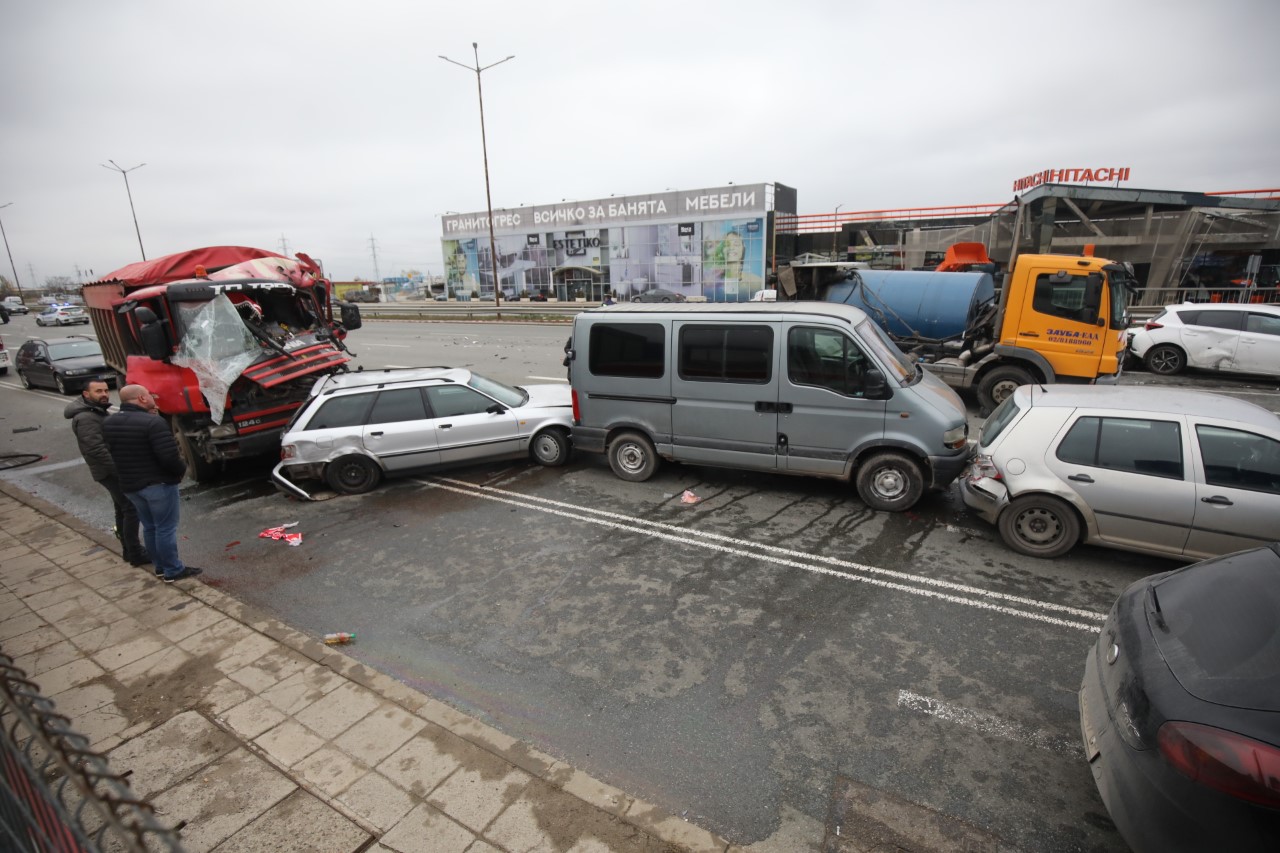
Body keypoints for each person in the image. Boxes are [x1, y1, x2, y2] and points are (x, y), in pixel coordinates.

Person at [103, 384, 202, 583]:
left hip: (131, 486)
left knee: (149, 527)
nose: (151, 396)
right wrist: (180, 471)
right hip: (157, 484)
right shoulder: (152, 423)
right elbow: (169, 457)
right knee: (165, 527)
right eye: (148, 394)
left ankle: (159, 567)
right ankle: (173, 569)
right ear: (141, 399)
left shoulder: (109, 423)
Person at [65, 381, 148, 567]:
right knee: (131, 508)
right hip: (110, 472)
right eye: (98, 391)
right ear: (86, 394)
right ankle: (135, 552)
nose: (104, 394)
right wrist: (121, 471)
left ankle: (129, 550)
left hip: (108, 470)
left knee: (122, 508)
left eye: (105, 390)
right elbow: (96, 450)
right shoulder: (86, 418)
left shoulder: (95, 411)